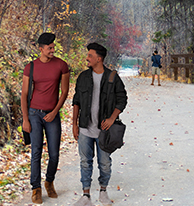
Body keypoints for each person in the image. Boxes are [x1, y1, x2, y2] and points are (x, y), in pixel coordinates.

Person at [72, 43, 128, 206]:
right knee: (85, 161)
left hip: (104, 131)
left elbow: (122, 99)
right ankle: (86, 195)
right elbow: (76, 101)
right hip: (85, 128)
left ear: (99, 58)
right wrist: (74, 124)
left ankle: (103, 191)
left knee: (104, 162)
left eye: (90, 55)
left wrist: (112, 118)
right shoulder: (83, 77)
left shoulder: (112, 77)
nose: (87, 58)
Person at [21, 33, 70, 204]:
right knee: (36, 152)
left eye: (53, 47)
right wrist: (25, 119)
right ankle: (36, 188)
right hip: (34, 114)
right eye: (49, 48)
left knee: (54, 153)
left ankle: (49, 181)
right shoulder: (30, 67)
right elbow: (24, 94)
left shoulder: (61, 65)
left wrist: (55, 111)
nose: (53, 50)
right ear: (41, 49)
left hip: (52, 114)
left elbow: (64, 92)